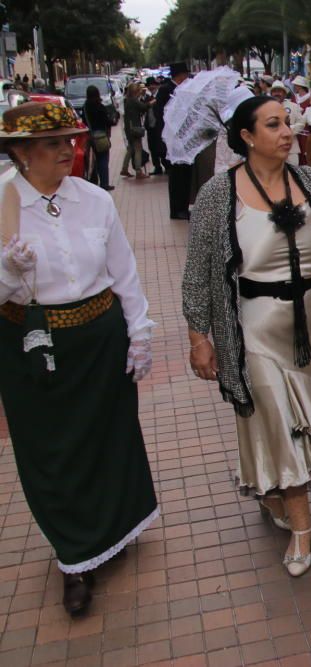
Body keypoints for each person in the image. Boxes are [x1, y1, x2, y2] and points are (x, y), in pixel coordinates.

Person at [182, 96, 311, 578]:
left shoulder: (310, 180)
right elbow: (198, 273)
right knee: (275, 417)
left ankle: (277, 490)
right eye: (273, 124)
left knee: (302, 416)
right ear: (247, 137)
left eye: (288, 122)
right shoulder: (221, 193)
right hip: (254, 325)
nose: (286, 131)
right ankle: (303, 528)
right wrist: (200, 336)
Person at [0, 102, 159, 616]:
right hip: (35, 344)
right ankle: (74, 556)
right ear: (22, 153)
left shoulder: (93, 199)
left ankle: (110, 529)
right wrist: (8, 271)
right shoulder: (1, 202)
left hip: (99, 338)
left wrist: (139, 331)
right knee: (53, 449)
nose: (69, 150)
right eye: (53, 143)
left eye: (71, 140)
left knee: (107, 436)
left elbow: (123, 271)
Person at [156, 61, 192, 219]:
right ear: (180, 75)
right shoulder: (166, 90)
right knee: (177, 177)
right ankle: (177, 209)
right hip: (172, 141)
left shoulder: (183, 90)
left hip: (184, 141)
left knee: (185, 176)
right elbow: (161, 116)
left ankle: (183, 206)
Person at [82, 85, 113, 191]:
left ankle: (94, 182)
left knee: (92, 161)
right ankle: (104, 183)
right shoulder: (100, 106)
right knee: (103, 159)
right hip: (101, 135)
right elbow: (107, 121)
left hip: (90, 136)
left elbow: (84, 121)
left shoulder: (85, 106)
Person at [270, 81, 305, 166]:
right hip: (272, 148)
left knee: (293, 173)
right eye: (274, 91)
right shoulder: (266, 107)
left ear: (284, 93)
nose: (277, 93)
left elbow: (301, 123)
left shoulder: (294, 106)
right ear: (271, 94)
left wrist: (289, 130)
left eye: (279, 91)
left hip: (291, 148)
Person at [122, 83, 151, 180]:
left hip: (129, 128)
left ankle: (124, 168)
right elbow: (143, 107)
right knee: (138, 149)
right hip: (134, 128)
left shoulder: (128, 101)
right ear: (136, 92)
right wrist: (151, 103)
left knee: (130, 149)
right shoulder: (134, 101)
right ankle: (138, 171)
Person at [144, 77, 165, 175]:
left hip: (159, 126)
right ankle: (157, 167)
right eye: (149, 85)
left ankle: (166, 165)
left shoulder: (160, 97)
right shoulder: (147, 98)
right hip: (150, 127)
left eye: (153, 85)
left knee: (161, 146)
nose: (151, 87)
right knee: (152, 147)